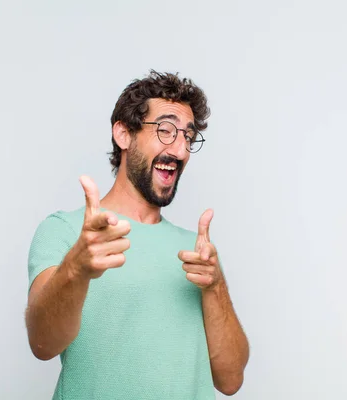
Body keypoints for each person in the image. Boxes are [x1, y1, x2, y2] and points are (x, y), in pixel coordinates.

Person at [25, 70, 249, 399]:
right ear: (124, 134)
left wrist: (216, 286)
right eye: (166, 130)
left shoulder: (196, 251)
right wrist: (77, 267)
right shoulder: (66, 231)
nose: (181, 150)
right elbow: (42, 343)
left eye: (188, 136)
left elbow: (230, 381)